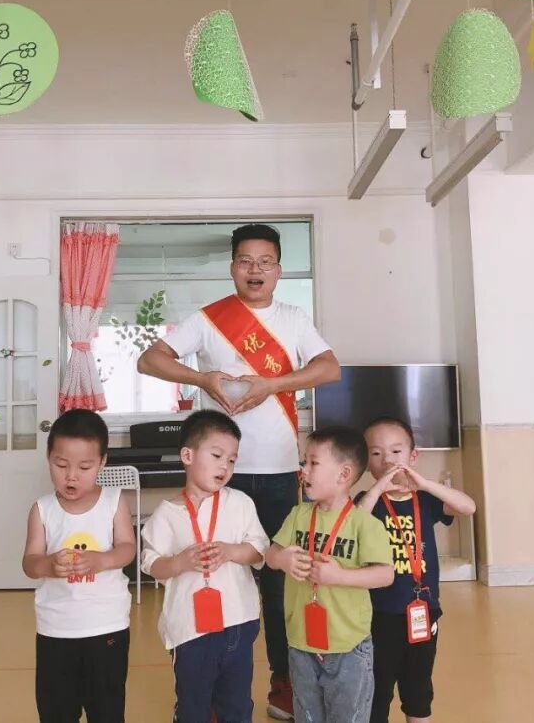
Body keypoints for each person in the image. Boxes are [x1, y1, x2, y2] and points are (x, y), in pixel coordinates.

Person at [138, 222, 340, 720]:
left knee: (278, 582)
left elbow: (329, 368)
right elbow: (149, 360)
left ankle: (282, 683)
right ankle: (207, 686)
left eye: (265, 262)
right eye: (246, 261)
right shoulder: (209, 319)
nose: (255, 270)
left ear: (278, 270)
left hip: (276, 472)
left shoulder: (293, 318)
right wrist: (202, 378)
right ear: (232, 267)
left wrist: (273, 384)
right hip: (215, 478)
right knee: (211, 572)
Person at [141, 410, 270, 723]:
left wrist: (231, 551)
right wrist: (180, 562)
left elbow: (259, 550)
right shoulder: (166, 513)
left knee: (237, 706)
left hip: (238, 621)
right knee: (193, 706)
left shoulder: (240, 503)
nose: (225, 466)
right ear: (187, 456)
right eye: (216, 455)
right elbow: (151, 563)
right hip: (190, 629)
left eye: (232, 460)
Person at [264, 427, 393, 723]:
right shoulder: (298, 515)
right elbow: (270, 555)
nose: (304, 470)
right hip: (301, 643)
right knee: (307, 715)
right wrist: (281, 559)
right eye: (304, 462)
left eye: (313, 463)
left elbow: (385, 575)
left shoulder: (364, 524)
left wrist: (339, 577)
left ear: (343, 474)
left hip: (348, 648)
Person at [357, 417, 477, 723]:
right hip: (378, 613)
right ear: (367, 463)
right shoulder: (369, 502)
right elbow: (352, 524)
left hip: (422, 608)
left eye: (396, 452)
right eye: (376, 454)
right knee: (377, 688)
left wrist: (424, 484)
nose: (387, 460)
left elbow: (468, 507)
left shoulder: (425, 499)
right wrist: (378, 488)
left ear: (413, 457)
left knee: (418, 687)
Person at [21, 409, 137, 723]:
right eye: (61, 465)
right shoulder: (42, 509)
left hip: (107, 625)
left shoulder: (114, 502)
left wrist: (101, 560)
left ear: (102, 462)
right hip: (55, 629)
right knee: (56, 711)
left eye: (84, 467)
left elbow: (127, 548)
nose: (71, 475)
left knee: (107, 710)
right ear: (48, 458)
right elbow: (30, 562)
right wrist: (48, 565)